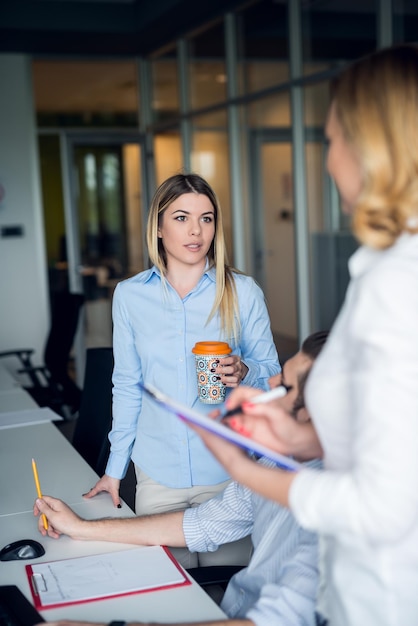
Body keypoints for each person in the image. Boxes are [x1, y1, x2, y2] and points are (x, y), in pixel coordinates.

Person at [193, 45, 418, 626]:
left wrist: (249, 471)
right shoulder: (388, 270)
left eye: (330, 140)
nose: (327, 161)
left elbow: (387, 505)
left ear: (373, 147)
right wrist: (296, 441)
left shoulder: (398, 285)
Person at [34, 332, 327, 626]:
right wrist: (82, 528)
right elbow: (199, 524)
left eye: (285, 386)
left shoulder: (334, 511)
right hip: (235, 607)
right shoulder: (279, 464)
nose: (271, 383)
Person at [84, 173, 280, 567]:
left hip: (228, 472)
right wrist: (114, 470)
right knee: (170, 592)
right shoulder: (130, 295)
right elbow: (126, 384)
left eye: (206, 219)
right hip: (157, 473)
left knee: (232, 588)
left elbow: (274, 374)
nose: (196, 231)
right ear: (158, 226)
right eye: (181, 218)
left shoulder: (242, 291)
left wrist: (245, 370)